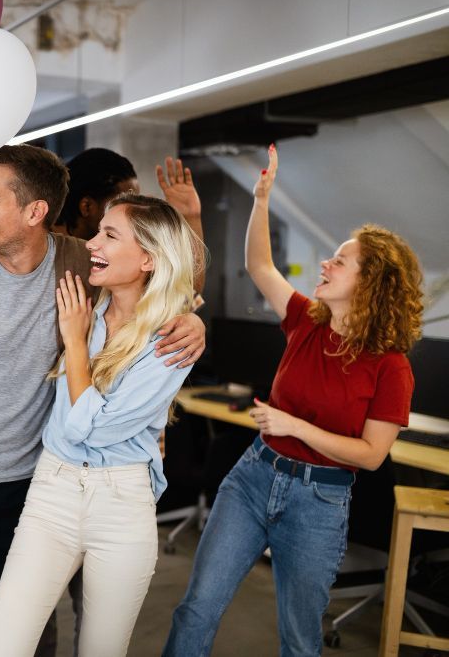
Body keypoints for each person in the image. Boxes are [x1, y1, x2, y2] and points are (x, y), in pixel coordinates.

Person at [0, 144, 207, 656]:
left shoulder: (82, 265)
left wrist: (192, 315)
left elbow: (157, 282)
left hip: (32, 486)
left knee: (28, 642)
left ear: (34, 212)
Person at [163, 145, 424, 657]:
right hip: (254, 476)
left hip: (319, 501)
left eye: (340, 260)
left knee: (299, 638)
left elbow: (371, 455)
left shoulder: (391, 366)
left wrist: (295, 426)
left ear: (370, 285)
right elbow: (259, 264)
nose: (326, 263)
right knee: (197, 606)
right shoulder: (308, 320)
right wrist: (261, 199)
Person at [0, 193, 202, 656]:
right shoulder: (84, 306)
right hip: (52, 492)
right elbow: (7, 244)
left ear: (147, 258)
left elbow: (93, 430)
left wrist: (75, 345)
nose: (92, 243)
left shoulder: (170, 341)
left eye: (109, 234)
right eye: (98, 229)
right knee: (3, 646)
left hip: (121, 506)